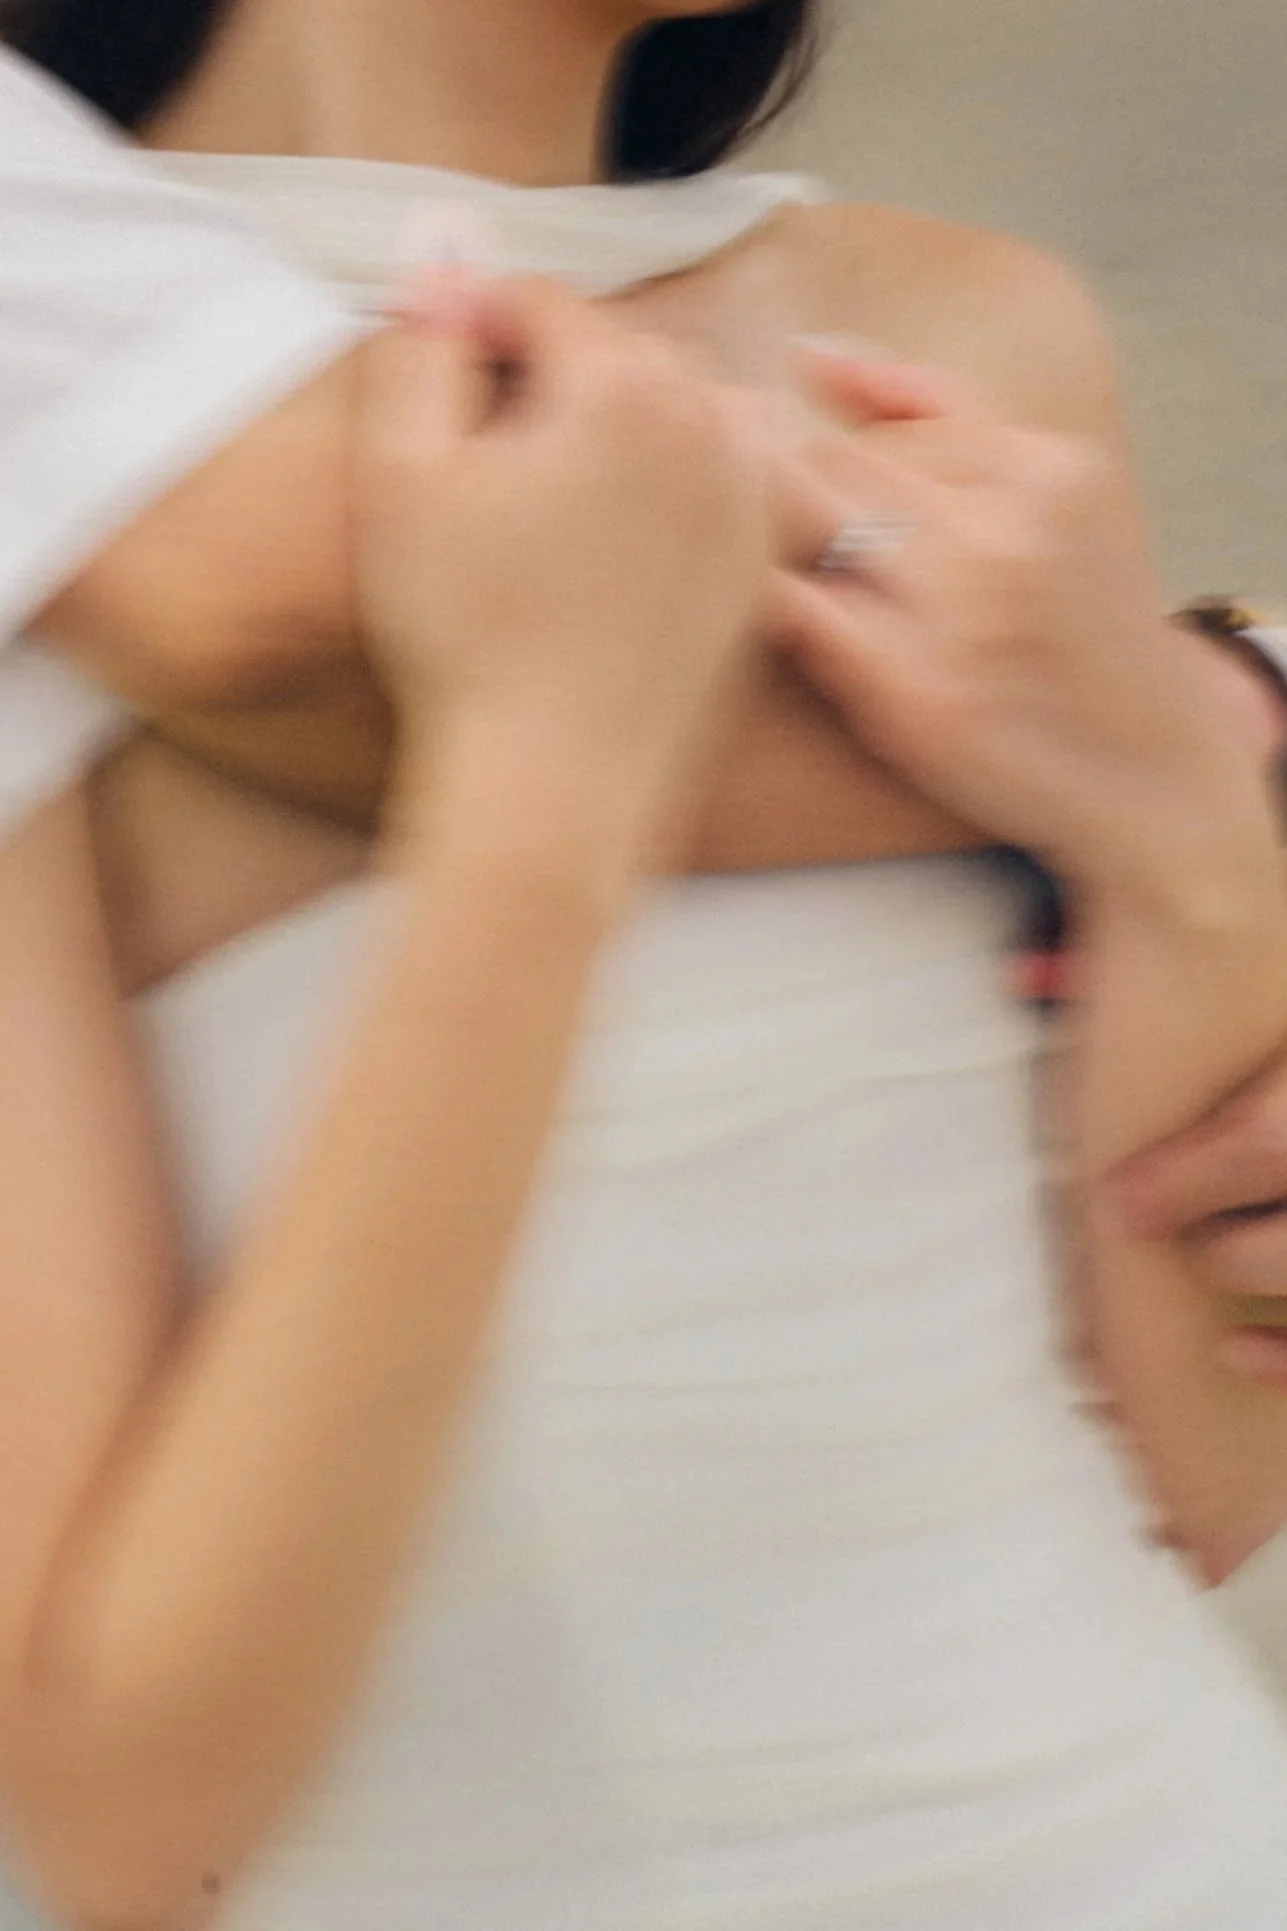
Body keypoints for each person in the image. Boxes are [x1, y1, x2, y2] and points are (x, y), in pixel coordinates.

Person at [0, 6, 1287, 1929]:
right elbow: (112, 1811)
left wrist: (1198, 842)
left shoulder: (971, 343)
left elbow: (1190, 1480)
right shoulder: (86, 463)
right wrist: (542, 794)